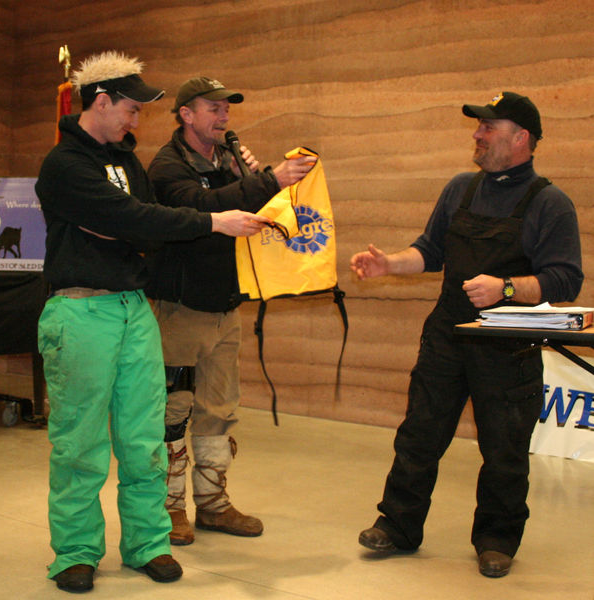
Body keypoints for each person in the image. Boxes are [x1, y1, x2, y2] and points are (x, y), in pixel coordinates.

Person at [36, 52, 270, 594]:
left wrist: (129, 226)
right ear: (101, 102)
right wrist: (201, 221)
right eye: (131, 109)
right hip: (80, 309)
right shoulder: (64, 164)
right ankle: (75, 550)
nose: (137, 120)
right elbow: (134, 218)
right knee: (80, 442)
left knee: (143, 436)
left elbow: (146, 228)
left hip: (133, 309)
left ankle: (147, 543)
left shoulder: (128, 162)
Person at [350, 91, 583, 578]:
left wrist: (509, 287)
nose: (476, 135)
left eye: (487, 128)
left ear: (520, 139)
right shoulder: (461, 188)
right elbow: (431, 250)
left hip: (508, 346)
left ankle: (497, 539)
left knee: (503, 446)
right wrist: (390, 263)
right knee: (419, 434)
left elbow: (565, 278)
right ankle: (397, 525)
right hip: (447, 335)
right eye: (477, 127)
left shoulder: (550, 203)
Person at [145, 77, 316, 545]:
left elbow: (253, 215)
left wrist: (256, 183)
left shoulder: (228, 160)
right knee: (173, 409)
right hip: (181, 308)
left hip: (226, 305)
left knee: (218, 408)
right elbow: (202, 208)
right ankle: (170, 506)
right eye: (213, 108)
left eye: (226, 109)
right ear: (186, 114)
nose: (223, 117)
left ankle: (214, 504)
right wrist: (267, 180)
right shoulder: (166, 166)